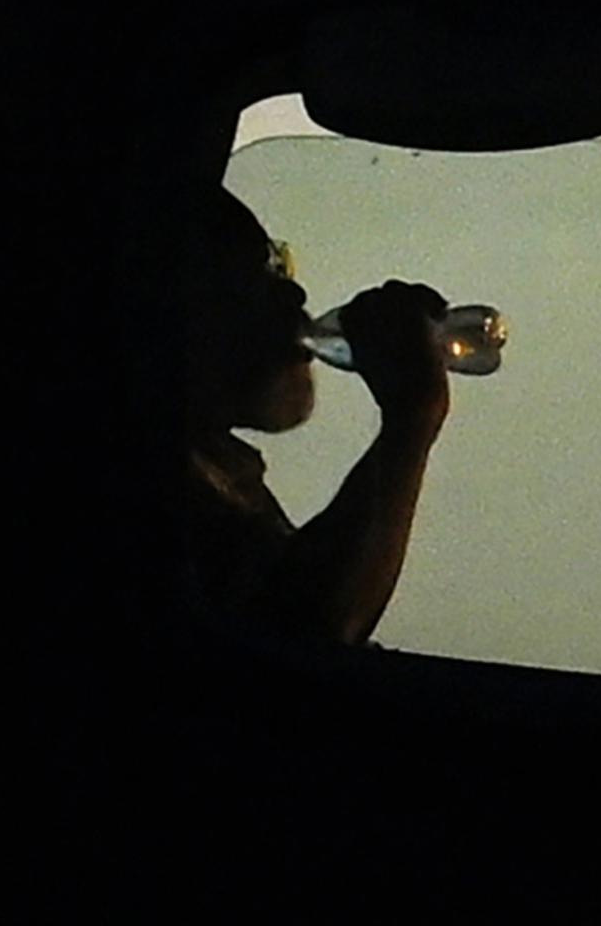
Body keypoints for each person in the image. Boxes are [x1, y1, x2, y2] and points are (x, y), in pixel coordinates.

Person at [177, 187, 452, 645]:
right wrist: (413, 418)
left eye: (279, 264)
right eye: (254, 271)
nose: (294, 291)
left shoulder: (218, 475)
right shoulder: (138, 486)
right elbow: (301, 637)